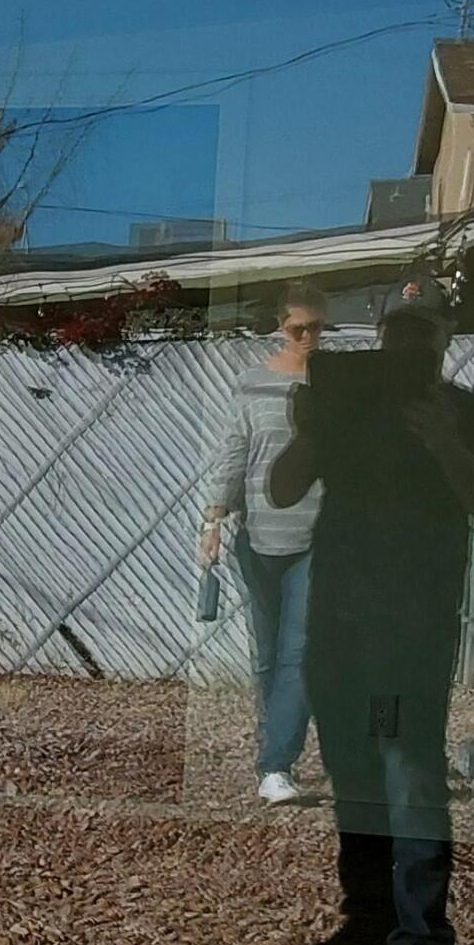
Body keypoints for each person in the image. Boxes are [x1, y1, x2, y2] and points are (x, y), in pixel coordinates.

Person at [268, 289, 474, 945]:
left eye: (422, 336)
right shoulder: (349, 408)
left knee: (408, 780)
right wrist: (313, 430)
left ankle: (421, 944)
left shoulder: (471, 414)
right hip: (339, 626)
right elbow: (282, 491)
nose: (408, 348)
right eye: (396, 335)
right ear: (381, 338)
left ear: (444, 342)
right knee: (356, 776)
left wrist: (443, 441)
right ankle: (369, 921)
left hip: (409, 633)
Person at [200, 287, 327, 804]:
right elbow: (235, 449)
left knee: (301, 652)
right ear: (281, 328)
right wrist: (212, 519)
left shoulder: (336, 384)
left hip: (319, 534)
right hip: (257, 536)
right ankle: (270, 750)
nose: (311, 339)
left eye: (319, 328)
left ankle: (278, 766)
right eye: (300, 329)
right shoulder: (253, 384)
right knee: (267, 655)